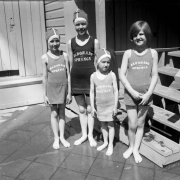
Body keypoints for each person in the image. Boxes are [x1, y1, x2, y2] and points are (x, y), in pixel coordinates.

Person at [120, 21, 158, 163]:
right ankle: (130, 147)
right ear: (132, 37)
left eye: (141, 34)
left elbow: (154, 75)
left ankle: (136, 149)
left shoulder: (153, 53)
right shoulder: (128, 53)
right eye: (135, 35)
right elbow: (122, 75)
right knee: (132, 124)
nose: (138, 37)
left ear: (147, 34)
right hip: (131, 95)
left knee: (141, 124)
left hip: (146, 95)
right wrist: (132, 91)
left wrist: (148, 94)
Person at [68, 9, 100, 146]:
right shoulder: (71, 43)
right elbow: (69, 65)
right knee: (81, 109)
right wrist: (69, 88)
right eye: (77, 25)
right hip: (76, 80)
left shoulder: (94, 42)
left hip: (90, 80)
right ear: (74, 26)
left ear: (87, 24)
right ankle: (84, 135)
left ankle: (91, 136)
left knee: (90, 108)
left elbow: (97, 64)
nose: (80, 27)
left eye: (83, 24)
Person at [42, 28, 72, 149]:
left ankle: (62, 137)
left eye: (57, 40)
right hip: (52, 90)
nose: (55, 44)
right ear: (48, 43)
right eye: (52, 41)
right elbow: (44, 77)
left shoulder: (64, 55)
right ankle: (56, 138)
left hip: (63, 89)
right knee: (54, 113)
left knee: (62, 113)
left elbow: (68, 75)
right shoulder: (44, 58)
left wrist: (69, 92)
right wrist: (44, 95)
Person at [90, 49, 118, 156]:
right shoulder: (93, 76)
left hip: (110, 106)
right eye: (103, 62)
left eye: (108, 62)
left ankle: (110, 144)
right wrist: (92, 107)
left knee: (111, 125)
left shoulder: (112, 75)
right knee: (103, 125)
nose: (106, 64)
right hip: (100, 106)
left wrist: (115, 106)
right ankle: (105, 142)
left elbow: (116, 91)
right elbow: (92, 92)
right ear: (98, 62)